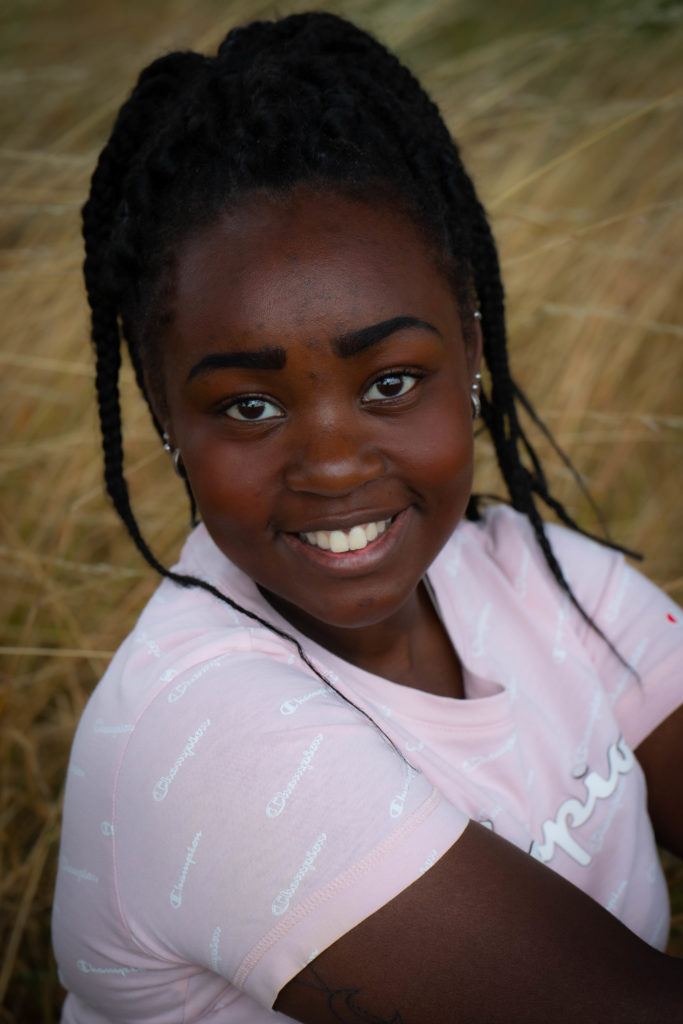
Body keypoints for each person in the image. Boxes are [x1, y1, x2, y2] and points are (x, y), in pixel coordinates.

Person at [51, 11, 683, 1023]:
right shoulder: (208, 739)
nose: (335, 463)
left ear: (469, 353)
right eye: (249, 406)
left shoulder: (523, 569)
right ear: (166, 411)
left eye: (390, 379)